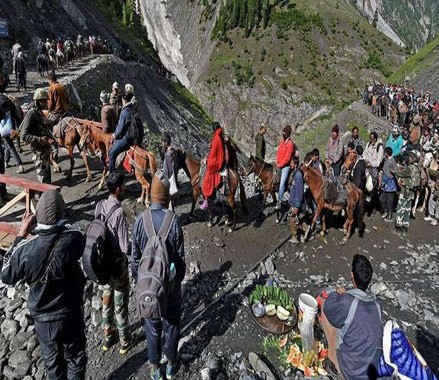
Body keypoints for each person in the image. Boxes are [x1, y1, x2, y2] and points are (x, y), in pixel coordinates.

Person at [1, 190, 87, 380]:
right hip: (70, 311)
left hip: (44, 318)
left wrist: (20, 236)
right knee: (76, 359)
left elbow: (6, 275)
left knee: (53, 365)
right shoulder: (73, 238)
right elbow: (78, 234)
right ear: (61, 213)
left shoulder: (25, 250)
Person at [131, 171, 185, 380]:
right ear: (166, 197)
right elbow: (180, 260)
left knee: (152, 327)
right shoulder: (173, 221)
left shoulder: (140, 220)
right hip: (169, 287)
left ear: (152, 195)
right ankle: (171, 365)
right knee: (171, 325)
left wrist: (143, 280)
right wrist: (174, 282)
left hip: (148, 286)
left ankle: (155, 368)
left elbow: (134, 258)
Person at [319, 254, 382, 380]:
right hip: (372, 372)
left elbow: (328, 306)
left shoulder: (348, 302)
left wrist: (337, 294)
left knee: (327, 312)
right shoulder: (377, 304)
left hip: (351, 373)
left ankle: (334, 365)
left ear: (352, 275)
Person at [95, 172, 132, 354]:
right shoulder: (118, 212)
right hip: (117, 267)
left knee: (106, 301)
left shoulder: (100, 205)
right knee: (120, 304)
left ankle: (108, 338)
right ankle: (125, 340)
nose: (125, 188)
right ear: (118, 190)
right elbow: (125, 247)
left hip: (102, 266)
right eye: (124, 186)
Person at [20, 88, 54, 183]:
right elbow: (23, 135)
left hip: (45, 151)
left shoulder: (39, 112)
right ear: (38, 101)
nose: (46, 102)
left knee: (47, 178)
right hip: (39, 152)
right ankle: (41, 196)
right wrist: (40, 139)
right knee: (42, 180)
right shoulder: (31, 114)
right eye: (44, 101)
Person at [200, 122, 226, 210]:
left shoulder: (216, 138)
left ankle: (207, 199)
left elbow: (214, 154)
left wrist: (206, 160)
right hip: (220, 160)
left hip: (216, 162)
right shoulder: (219, 136)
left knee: (206, 176)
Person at [109, 92, 136, 173]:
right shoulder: (133, 109)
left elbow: (119, 130)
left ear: (123, 99)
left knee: (111, 153)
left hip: (126, 139)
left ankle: (112, 174)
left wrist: (114, 135)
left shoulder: (124, 112)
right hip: (133, 137)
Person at [395, 151, 420, 236]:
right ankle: (405, 228)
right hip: (412, 193)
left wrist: (394, 171)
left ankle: (398, 227)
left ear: (412, 159)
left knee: (400, 208)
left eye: (410, 157)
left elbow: (400, 174)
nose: (408, 158)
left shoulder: (409, 168)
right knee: (407, 210)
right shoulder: (418, 168)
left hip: (405, 191)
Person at [0, 94, 24, 173]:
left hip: (3, 126)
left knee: (9, 145)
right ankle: (6, 161)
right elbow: (15, 112)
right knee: (7, 142)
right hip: (11, 125)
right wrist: (18, 125)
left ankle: (19, 164)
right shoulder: (7, 98)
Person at [276, 125, 294, 209]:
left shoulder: (290, 144)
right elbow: (279, 152)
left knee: (282, 182)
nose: (283, 135)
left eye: (284, 133)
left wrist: (281, 164)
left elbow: (287, 158)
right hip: (279, 163)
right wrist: (277, 161)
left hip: (286, 166)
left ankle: (279, 201)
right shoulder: (281, 141)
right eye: (282, 133)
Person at [288, 157, 304, 244]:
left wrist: (296, 206)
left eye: (292, 163)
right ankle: (305, 228)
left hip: (296, 202)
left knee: (293, 219)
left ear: (295, 165)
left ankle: (294, 237)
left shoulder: (298, 176)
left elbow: (299, 191)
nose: (290, 164)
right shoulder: (295, 173)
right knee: (295, 218)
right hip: (293, 201)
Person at [379, 147, 397, 222]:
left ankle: (390, 217)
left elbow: (387, 175)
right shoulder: (390, 160)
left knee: (389, 202)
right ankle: (385, 211)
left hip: (390, 186)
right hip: (387, 185)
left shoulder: (390, 162)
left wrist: (382, 183)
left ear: (386, 153)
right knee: (382, 199)